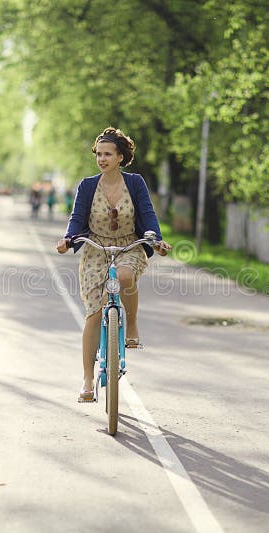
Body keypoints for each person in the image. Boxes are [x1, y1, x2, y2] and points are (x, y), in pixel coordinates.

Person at [56, 127, 171, 402]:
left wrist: (156, 240)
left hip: (128, 244)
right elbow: (76, 218)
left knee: (125, 277)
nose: (102, 159)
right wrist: (68, 239)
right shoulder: (87, 185)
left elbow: (147, 214)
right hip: (96, 248)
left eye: (108, 154)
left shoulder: (135, 183)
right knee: (94, 314)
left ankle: (131, 325)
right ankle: (87, 379)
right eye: (99, 154)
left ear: (120, 157)